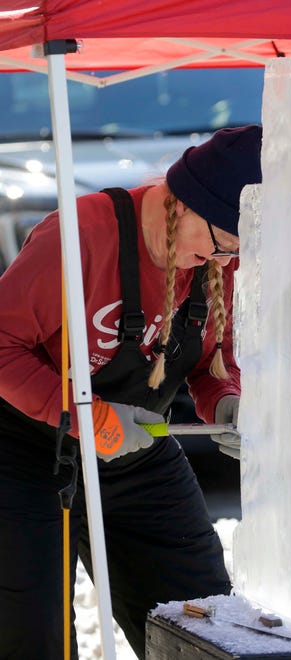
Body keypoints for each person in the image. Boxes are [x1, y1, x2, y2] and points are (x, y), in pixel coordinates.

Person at [0, 124, 262, 659]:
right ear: (183, 203)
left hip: (138, 454)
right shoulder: (77, 238)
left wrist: (227, 400)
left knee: (205, 617)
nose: (227, 263)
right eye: (223, 245)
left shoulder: (218, 261)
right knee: (33, 633)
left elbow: (216, 357)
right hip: (24, 450)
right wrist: (83, 416)